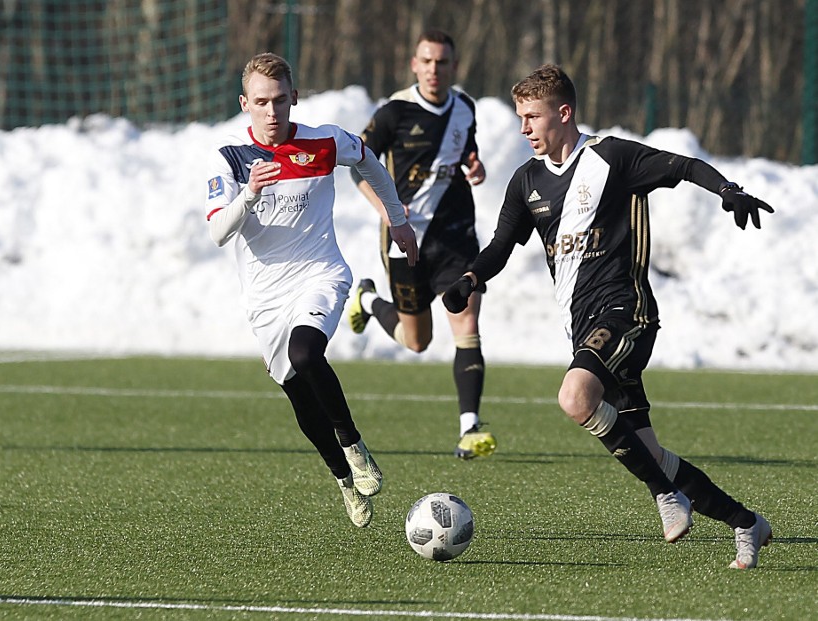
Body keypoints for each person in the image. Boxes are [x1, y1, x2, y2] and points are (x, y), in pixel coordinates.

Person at [443, 64, 773, 568]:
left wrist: (726, 188)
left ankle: (665, 495)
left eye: (533, 117)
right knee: (651, 451)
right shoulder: (527, 181)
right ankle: (747, 523)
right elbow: (502, 244)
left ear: (564, 112)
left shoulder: (611, 157)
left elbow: (681, 165)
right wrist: (470, 279)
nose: (524, 128)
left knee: (575, 397)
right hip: (583, 327)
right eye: (520, 118)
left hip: (627, 311)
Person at [204, 52, 418, 528]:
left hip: (320, 272)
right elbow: (218, 232)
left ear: (294, 98)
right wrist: (250, 193)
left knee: (306, 353)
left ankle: (353, 441)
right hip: (264, 296)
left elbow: (371, 165)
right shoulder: (231, 158)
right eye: (261, 102)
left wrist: (397, 220)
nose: (272, 112)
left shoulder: (324, 140)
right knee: (299, 395)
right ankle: (343, 479)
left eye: (280, 100)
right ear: (245, 104)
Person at [347, 29, 495, 460]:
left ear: (453, 66)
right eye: (427, 61)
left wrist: (475, 165)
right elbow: (358, 170)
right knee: (417, 342)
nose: (434, 69)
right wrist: (389, 213)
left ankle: (471, 427)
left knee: (466, 321)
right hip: (406, 241)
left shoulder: (465, 108)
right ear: (415, 64)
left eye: (442, 62)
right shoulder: (394, 112)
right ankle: (369, 299)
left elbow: (466, 152)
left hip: (455, 237)